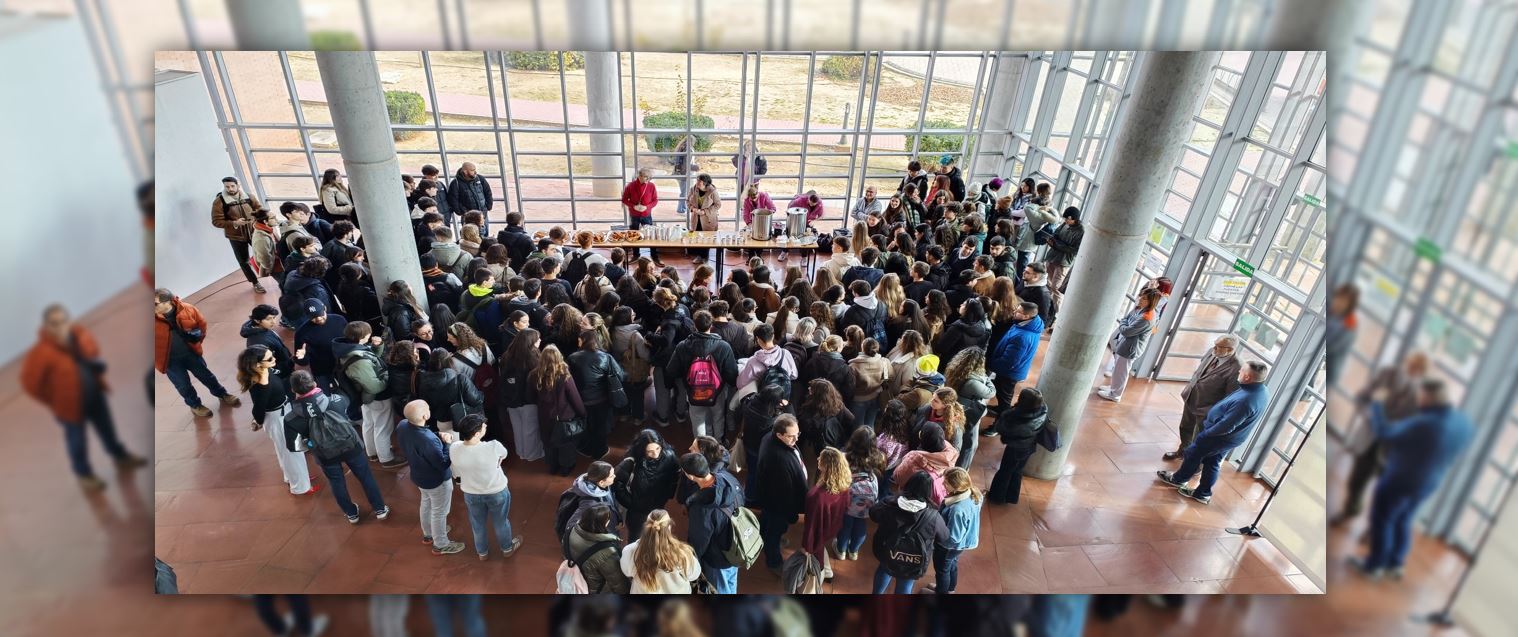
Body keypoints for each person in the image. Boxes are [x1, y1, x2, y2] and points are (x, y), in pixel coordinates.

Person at [1349, 379, 1474, 580]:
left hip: (1400, 479)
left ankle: (1374, 566)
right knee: (1404, 519)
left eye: (1420, 395)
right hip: (1430, 482)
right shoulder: (1464, 423)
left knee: (1383, 519)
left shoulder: (1423, 423)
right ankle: (1395, 564)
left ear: (1426, 397)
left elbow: (1385, 432)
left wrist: (1378, 405)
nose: (1418, 399)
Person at [23, 304, 146, 490]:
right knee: (77, 440)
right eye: (54, 324)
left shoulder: (80, 335)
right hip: (70, 406)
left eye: (63, 321)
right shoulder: (41, 354)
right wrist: (54, 400)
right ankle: (84, 474)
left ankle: (120, 457)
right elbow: (30, 384)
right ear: (46, 326)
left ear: (69, 321)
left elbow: (93, 352)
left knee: (108, 430)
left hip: (95, 396)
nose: (60, 327)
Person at [1333, 352, 1430, 525]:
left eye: (1418, 370)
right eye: (1412, 366)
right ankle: (1351, 511)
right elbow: (1363, 397)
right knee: (1357, 480)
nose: (1413, 371)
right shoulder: (1387, 374)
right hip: (1369, 438)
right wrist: (1369, 413)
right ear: (1408, 363)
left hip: (1392, 447)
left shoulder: (1418, 396)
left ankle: (1375, 529)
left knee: (1385, 494)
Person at [1156, 361, 1273, 504]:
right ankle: (1203, 493)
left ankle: (1179, 479)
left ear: (1248, 377)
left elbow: (1226, 426)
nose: (1238, 372)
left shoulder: (1246, 400)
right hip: (1231, 438)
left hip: (1218, 437)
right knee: (1212, 462)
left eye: (1241, 371)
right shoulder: (1260, 390)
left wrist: (1205, 434)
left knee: (1193, 453)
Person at [283, 370, 389, 524]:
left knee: (336, 482)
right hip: (351, 446)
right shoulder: (336, 400)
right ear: (314, 384)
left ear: (293, 390)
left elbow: (292, 446)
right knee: (366, 477)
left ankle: (351, 514)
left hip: (325, 454)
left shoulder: (291, 418)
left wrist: (311, 444)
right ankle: (380, 509)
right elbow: (348, 399)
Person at [236, 345, 316, 497]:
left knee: (288, 451)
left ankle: (294, 477)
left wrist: (294, 358)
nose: (274, 359)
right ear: (258, 364)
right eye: (270, 358)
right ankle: (300, 486)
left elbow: (283, 370)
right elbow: (259, 408)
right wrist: (258, 421)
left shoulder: (266, 371)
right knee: (292, 451)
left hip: (283, 413)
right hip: (278, 418)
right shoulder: (261, 384)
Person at [154, 289, 241, 419]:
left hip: (191, 354)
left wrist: (196, 343)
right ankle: (195, 405)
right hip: (170, 361)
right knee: (183, 385)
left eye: (156, 304)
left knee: (206, 376)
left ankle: (222, 394)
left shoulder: (188, 309)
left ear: (169, 302)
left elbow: (201, 326)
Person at [333, 321, 407, 469]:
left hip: (363, 396)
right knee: (383, 427)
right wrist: (387, 375)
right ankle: (386, 458)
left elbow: (370, 360)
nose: (370, 335)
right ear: (362, 337)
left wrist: (377, 348)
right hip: (377, 397)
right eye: (368, 333)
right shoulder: (358, 361)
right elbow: (374, 386)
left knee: (369, 423)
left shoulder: (347, 349)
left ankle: (373, 452)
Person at [396, 400, 463, 555]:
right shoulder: (428, 440)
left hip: (419, 476)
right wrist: (446, 444)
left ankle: (428, 534)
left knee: (426, 503)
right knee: (439, 512)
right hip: (437, 480)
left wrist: (438, 435)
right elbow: (443, 463)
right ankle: (441, 544)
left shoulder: (403, 425)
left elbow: (421, 438)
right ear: (426, 415)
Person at [1164, 335, 1242, 461]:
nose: (1214, 348)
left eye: (1219, 347)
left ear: (1229, 350)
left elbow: (1230, 395)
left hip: (1208, 409)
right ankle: (1183, 451)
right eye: (1215, 345)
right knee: (1185, 427)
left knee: (1199, 437)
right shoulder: (1213, 352)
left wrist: (1216, 412)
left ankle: (1194, 463)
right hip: (1191, 398)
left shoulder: (1236, 368)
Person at [869, 471, 948, 593]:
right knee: (906, 583)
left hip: (887, 550)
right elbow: (944, 537)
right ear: (929, 491)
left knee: (885, 569)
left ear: (908, 484)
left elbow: (873, 514)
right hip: (913, 559)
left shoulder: (889, 503)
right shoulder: (933, 517)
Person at [669, 310, 739, 440]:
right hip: (717, 391)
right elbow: (731, 372)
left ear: (694, 326)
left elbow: (672, 370)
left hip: (693, 390)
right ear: (711, 325)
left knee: (697, 419)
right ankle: (718, 444)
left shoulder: (682, 346)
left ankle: (701, 447)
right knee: (718, 417)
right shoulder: (723, 346)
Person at [752, 414, 808, 575]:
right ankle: (774, 561)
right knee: (774, 533)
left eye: (798, 434)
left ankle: (764, 536)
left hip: (770, 501)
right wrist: (792, 513)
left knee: (768, 523)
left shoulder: (770, 438)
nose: (796, 439)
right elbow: (784, 495)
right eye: (791, 436)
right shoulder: (778, 459)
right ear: (779, 434)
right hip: (778, 505)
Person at [680, 451, 743, 594]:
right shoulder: (728, 478)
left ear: (690, 475)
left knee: (719, 589)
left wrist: (693, 561)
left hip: (718, 558)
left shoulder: (701, 507)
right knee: (731, 581)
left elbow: (699, 541)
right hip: (737, 547)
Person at [567, 329, 627, 460]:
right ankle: (599, 451)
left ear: (583, 340)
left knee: (585, 425)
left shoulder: (572, 358)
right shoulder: (605, 357)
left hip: (580, 399)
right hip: (601, 399)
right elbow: (621, 375)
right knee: (600, 426)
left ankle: (586, 448)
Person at [614, 429, 681, 541]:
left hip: (658, 504)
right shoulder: (631, 460)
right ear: (642, 449)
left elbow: (674, 477)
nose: (655, 454)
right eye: (650, 451)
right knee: (636, 538)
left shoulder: (670, 456)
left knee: (656, 536)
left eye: (658, 448)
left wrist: (668, 494)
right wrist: (631, 503)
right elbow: (618, 484)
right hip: (637, 511)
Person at [1096, 288, 1161, 403]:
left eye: (1144, 298)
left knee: (1121, 372)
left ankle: (1115, 394)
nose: (1140, 299)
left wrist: (1123, 323)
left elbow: (1126, 330)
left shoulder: (1146, 318)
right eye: (1141, 296)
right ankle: (1113, 388)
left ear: (1151, 301)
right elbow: (1126, 320)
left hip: (1130, 348)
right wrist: (1125, 323)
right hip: (1126, 345)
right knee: (1118, 369)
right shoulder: (1140, 309)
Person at [987, 387, 1048, 504]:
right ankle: (1011, 497)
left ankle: (997, 497)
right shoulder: (1043, 410)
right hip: (1030, 446)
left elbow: (1001, 427)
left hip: (1015, 448)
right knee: (1017, 470)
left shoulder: (1015, 415)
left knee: (1005, 471)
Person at [531, 345, 586, 476]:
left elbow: (530, 396)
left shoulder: (534, 375)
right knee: (566, 444)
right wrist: (583, 413)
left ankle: (552, 466)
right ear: (559, 357)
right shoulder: (564, 376)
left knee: (548, 442)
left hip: (544, 416)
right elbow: (574, 398)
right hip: (564, 417)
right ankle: (566, 468)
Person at [619, 509, 700, 594]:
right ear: (669, 527)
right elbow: (694, 575)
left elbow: (627, 572)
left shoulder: (630, 550)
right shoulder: (683, 552)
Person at [927, 467, 981, 594]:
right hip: (961, 544)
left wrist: (937, 535)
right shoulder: (973, 493)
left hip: (948, 546)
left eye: (946, 482)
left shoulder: (957, 509)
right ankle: (950, 589)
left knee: (942, 570)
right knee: (951, 565)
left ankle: (941, 592)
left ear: (956, 487)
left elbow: (953, 537)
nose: (943, 484)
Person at [210, 176, 267, 293]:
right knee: (243, 261)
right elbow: (216, 221)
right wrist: (235, 223)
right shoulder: (219, 201)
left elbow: (260, 209)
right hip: (236, 237)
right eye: (227, 187)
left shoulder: (249, 197)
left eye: (232, 186)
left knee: (265, 254)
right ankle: (255, 283)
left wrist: (256, 217)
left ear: (238, 185)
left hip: (254, 232)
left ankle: (273, 275)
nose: (230, 189)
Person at [803, 447, 851, 581]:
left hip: (819, 529)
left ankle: (820, 576)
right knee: (822, 545)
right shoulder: (844, 484)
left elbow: (811, 526)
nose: (818, 459)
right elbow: (846, 505)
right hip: (833, 526)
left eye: (821, 458)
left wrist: (807, 546)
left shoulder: (817, 496)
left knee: (816, 555)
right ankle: (828, 572)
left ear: (827, 466)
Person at [942, 347, 993, 467]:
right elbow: (991, 392)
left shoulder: (955, 369)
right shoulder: (973, 383)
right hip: (968, 413)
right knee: (970, 444)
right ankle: (962, 470)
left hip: (955, 407)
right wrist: (986, 378)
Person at [565, 503, 630, 594]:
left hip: (573, 580)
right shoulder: (607, 551)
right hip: (593, 590)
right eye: (608, 519)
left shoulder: (570, 531)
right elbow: (619, 584)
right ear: (603, 523)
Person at [418, 348, 484, 433]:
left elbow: (426, 406)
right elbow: (476, 400)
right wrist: (481, 393)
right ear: (449, 361)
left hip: (442, 422)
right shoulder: (461, 379)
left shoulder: (423, 382)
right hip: (463, 418)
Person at [562, 461, 622, 535]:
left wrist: (618, 519)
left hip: (610, 524)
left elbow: (611, 504)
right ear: (601, 482)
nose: (615, 476)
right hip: (603, 532)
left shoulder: (602, 485)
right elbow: (570, 526)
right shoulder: (590, 503)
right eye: (611, 476)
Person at [1044, 206, 1084, 317]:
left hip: (1063, 262)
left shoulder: (1081, 232)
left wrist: (1058, 245)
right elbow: (1056, 234)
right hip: (1053, 257)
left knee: (1056, 288)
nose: (1065, 221)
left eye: (1067, 219)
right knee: (1047, 283)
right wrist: (1052, 240)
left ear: (1074, 218)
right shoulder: (1065, 224)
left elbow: (1076, 250)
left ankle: (1055, 314)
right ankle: (1046, 308)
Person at [848, 338, 891, 430]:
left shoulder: (853, 366)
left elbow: (849, 385)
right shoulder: (883, 362)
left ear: (862, 348)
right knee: (870, 426)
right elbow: (890, 376)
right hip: (876, 397)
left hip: (858, 400)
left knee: (857, 429)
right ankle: (870, 443)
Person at [622, 168, 660, 260]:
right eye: (646, 177)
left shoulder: (651, 186)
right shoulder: (630, 186)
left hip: (647, 214)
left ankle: (654, 255)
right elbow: (624, 199)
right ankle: (636, 255)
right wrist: (633, 206)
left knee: (651, 235)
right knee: (633, 235)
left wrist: (647, 207)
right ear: (639, 176)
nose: (648, 180)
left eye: (649, 178)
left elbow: (655, 200)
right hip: (634, 215)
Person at [1325, 282, 1358, 386]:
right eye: (1338, 298)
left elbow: (1334, 347)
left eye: (1344, 301)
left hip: (1331, 366)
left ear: (1349, 305)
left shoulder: (1350, 323)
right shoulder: (1329, 309)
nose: (1339, 303)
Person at [686, 174, 722, 264]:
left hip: (708, 218)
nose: (697, 182)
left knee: (707, 237)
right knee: (697, 236)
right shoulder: (693, 189)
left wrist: (705, 211)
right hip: (696, 218)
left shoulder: (712, 191)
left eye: (699, 181)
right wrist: (692, 209)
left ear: (705, 183)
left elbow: (718, 205)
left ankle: (704, 257)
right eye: (697, 180)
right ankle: (699, 256)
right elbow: (687, 201)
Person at [447, 163, 494, 230]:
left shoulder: (480, 179)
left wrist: (488, 206)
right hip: (468, 218)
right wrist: (462, 212)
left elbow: (488, 192)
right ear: (465, 171)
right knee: (470, 236)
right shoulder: (456, 183)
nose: (475, 172)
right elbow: (453, 200)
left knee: (485, 235)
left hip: (483, 215)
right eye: (472, 170)